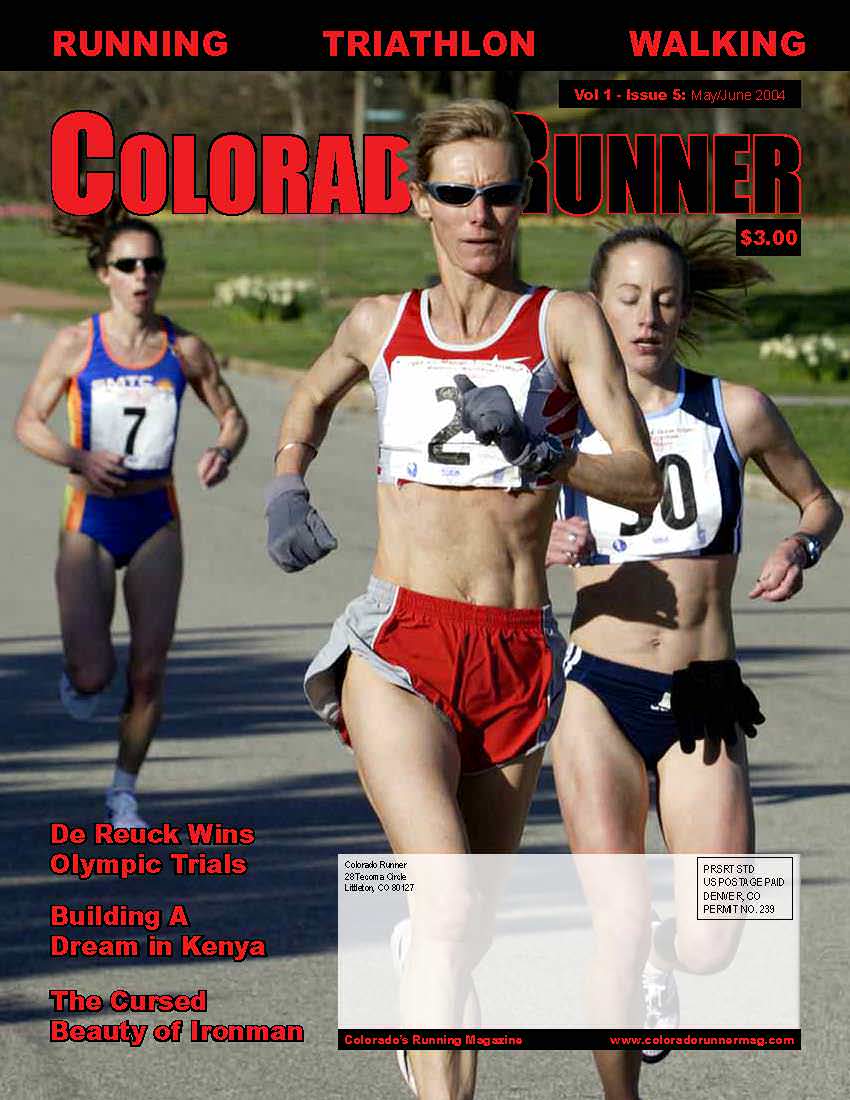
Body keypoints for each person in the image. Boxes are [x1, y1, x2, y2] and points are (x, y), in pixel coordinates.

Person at [264, 100, 661, 1099]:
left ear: (523, 200)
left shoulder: (562, 321)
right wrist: (286, 480)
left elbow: (642, 479)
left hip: (515, 651)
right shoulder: (380, 322)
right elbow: (310, 395)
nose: (480, 212)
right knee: (448, 900)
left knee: (466, 925)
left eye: (500, 191)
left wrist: (548, 452)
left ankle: (424, 964)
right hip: (399, 642)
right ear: (421, 202)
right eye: (457, 192)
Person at [547, 219, 843, 1100]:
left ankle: (664, 963)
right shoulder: (559, 422)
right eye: (629, 298)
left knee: (715, 939)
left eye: (665, 299)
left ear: (683, 310)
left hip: (703, 693)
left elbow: (821, 503)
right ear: (597, 309)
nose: (648, 316)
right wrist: (543, 541)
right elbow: (485, 536)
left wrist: (799, 547)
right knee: (616, 922)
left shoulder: (735, 411)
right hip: (597, 690)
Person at [15, 202, 247, 830]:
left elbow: (232, 416)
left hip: (154, 519)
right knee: (94, 675)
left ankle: (124, 792)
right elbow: (27, 424)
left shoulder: (185, 348)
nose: (142, 275)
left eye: (152, 264)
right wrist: (78, 458)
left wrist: (223, 450)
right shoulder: (75, 345)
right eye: (128, 265)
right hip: (89, 518)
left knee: (148, 672)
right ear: (105, 274)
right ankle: (81, 681)